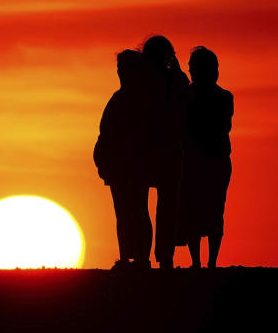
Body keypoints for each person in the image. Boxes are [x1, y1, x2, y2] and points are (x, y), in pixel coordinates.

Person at [94, 50, 153, 269]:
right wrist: (102, 160)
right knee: (123, 212)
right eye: (119, 68)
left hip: (134, 166)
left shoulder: (140, 100)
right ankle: (127, 257)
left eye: (124, 68)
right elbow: (105, 133)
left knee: (137, 210)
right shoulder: (118, 98)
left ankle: (141, 259)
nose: (120, 73)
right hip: (117, 167)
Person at [179, 47, 233, 268]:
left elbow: (222, 127)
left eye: (194, 67)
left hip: (212, 160)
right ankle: (199, 261)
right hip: (198, 161)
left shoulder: (222, 97)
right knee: (195, 210)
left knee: (213, 209)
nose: (192, 71)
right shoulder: (189, 95)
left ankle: (208, 262)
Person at [142, 35, 190, 269]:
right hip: (157, 150)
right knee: (160, 206)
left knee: (163, 206)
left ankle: (161, 257)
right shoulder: (173, 80)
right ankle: (157, 257)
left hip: (165, 150)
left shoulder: (173, 81)